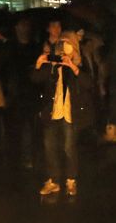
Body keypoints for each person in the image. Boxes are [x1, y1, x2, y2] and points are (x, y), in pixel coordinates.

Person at [33, 32, 81, 196]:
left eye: (68, 45)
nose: (64, 48)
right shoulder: (54, 63)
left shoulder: (78, 65)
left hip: (69, 112)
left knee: (69, 147)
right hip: (52, 111)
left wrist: (72, 67)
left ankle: (70, 180)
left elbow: (87, 82)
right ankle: (53, 180)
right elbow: (36, 78)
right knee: (49, 146)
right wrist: (39, 64)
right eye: (62, 44)